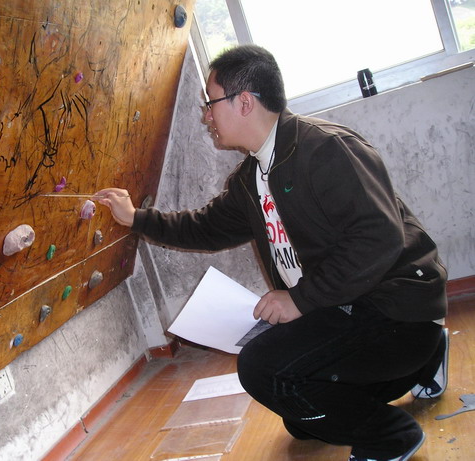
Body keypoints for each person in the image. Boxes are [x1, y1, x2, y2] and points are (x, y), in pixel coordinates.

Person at [94, 45, 449, 461]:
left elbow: (379, 238)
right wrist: (135, 217)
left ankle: (392, 436)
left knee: (264, 369)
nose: (206, 116)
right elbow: (205, 227)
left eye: (211, 103)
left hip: (397, 311)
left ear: (244, 102)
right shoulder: (252, 177)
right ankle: (427, 362)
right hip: (346, 307)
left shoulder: (326, 149)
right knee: (301, 417)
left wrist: (299, 299)